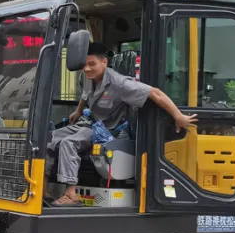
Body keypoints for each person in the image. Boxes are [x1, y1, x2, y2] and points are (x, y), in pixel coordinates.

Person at [46, 42, 197, 206]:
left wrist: (178, 116)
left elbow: (155, 93)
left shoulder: (120, 84)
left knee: (69, 143)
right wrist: (78, 111)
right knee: (47, 138)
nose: (87, 69)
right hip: (88, 122)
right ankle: (43, 189)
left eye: (92, 64)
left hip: (105, 130)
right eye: (84, 65)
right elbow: (85, 94)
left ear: (104, 62)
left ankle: (70, 194)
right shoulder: (88, 76)